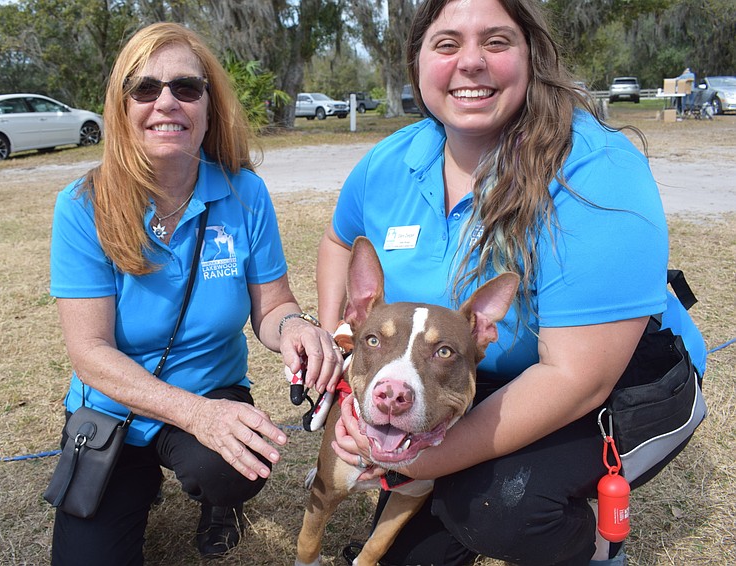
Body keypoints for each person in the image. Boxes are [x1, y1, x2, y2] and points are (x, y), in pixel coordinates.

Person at [316, 0, 707, 565]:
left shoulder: (596, 173)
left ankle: (596, 544)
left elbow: (576, 380)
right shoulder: (392, 160)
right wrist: (340, 341)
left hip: (622, 381)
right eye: (447, 44)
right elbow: (338, 239)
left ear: (532, 56)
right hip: (467, 371)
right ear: (418, 63)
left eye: (496, 42)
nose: (470, 62)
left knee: (496, 509)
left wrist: (413, 459)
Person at [49, 22, 342, 565]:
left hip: (212, 391)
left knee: (228, 469)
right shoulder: (81, 205)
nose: (166, 102)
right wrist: (194, 416)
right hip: (115, 409)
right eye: (145, 89)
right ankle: (137, 482)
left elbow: (272, 307)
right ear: (122, 105)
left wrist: (297, 326)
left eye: (186, 87)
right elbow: (89, 353)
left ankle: (216, 502)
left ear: (209, 104)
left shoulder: (243, 190)